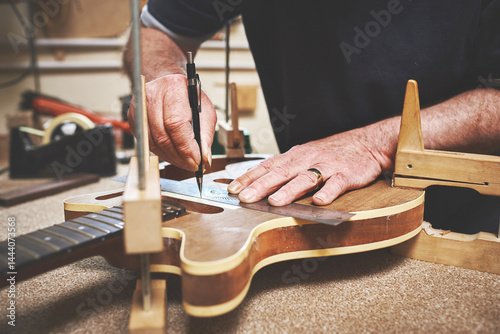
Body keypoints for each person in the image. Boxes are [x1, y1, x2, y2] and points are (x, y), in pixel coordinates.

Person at [124, 0, 500, 234]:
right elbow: (154, 35)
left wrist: (372, 145)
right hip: (305, 217)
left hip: (455, 221)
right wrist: (163, 79)